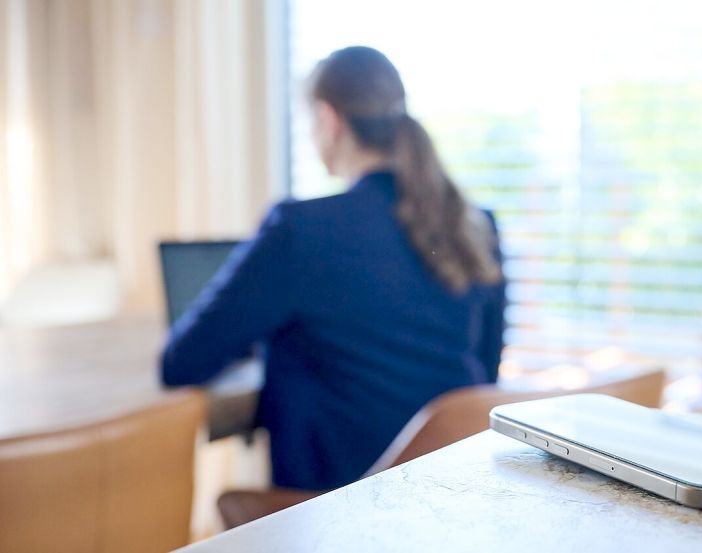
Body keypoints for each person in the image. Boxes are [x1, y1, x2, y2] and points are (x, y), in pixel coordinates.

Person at [160, 46, 507, 492]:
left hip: (335, 512)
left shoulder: (298, 230)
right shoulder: (475, 226)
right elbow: (485, 377)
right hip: (455, 497)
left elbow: (181, 362)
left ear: (328, 119)